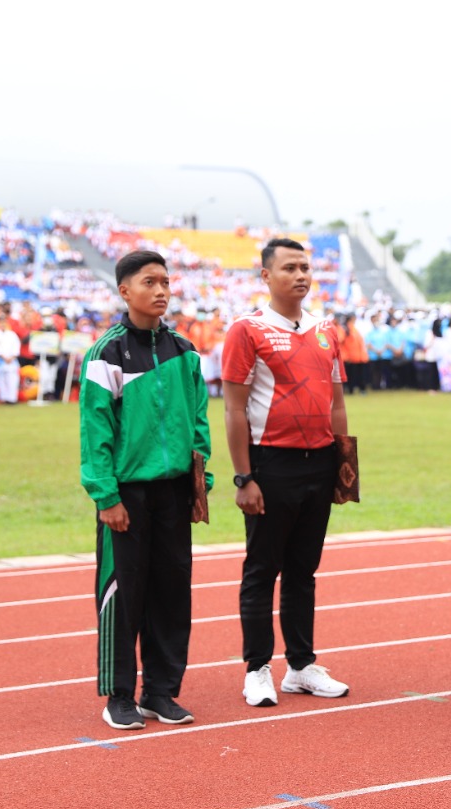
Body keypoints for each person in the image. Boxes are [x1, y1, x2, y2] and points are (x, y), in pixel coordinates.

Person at [79, 249, 214, 730]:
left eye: (166, 282)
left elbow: (198, 420)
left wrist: (201, 481)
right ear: (125, 291)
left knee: (172, 591)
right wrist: (106, 496)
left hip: (175, 493)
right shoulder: (106, 354)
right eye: (150, 282)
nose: (161, 291)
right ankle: (119, 694)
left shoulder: (184, 351)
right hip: (127, 496)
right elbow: (95, 433)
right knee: (123, 592)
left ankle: (161, 690)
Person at [222, 237, 351, 709]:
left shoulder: (326, 331)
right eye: (289, 267)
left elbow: (337, 402)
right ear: (266, 276)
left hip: (318, 462)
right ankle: (257, 668)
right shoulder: (247, 331)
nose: (300, 275)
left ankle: (301, 666)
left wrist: (343, 465)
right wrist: (244, 477)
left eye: (305, 267)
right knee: (262, 570)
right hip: (270, 464)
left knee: (303, 570)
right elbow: (234, 410)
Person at [0, 311, 22, 404]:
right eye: (0, 322)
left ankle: (12, 399)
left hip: (12, 361)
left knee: (12, 380)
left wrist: (12, 357)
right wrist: (3, 356)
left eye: (4, 322)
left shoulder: (12, 334)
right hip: (0, 361)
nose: (2, 324)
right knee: (2, 381)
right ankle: (3, 398)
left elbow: (16, 347)